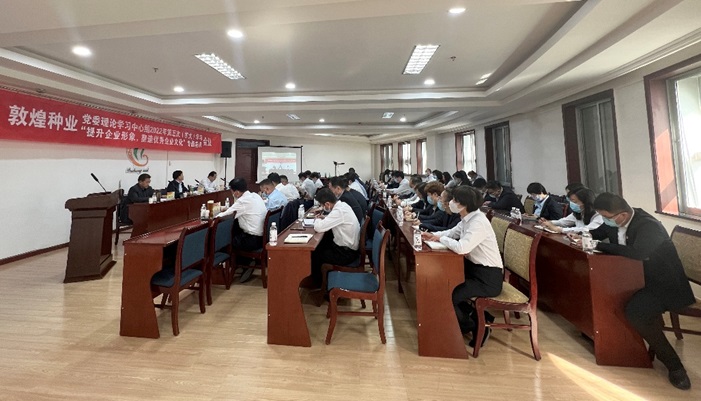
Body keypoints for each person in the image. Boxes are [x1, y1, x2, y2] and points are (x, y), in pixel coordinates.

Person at [586, 193, 694, 390]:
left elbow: (638, 253)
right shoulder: (615, 221)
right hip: (635, 280)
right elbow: (597, 233)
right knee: (608, 297)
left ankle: (675, 366)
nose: (604, 220)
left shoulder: (648, 226)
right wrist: (583, 237)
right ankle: (618, 345)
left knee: (637, 313)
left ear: (622, 215)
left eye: (607, 217)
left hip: (664, 285)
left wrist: (599, 245)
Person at [421, 186, 503, 348]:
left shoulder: (478, 222)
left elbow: (462, 247)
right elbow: (452, 232)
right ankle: (480, 317)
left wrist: (441, 240)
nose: (450, 203)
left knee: (449, 295)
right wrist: (434, 236)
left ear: (463, 204)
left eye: (454, 200)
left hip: (487, 278)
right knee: (444, 286)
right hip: (473, 270)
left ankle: (474, 326)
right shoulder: (467, 218)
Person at [218, 178, 268, 283]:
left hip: (252, 241)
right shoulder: (255, 196)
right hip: (262, 238)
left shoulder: (242, 201)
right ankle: (245, 263)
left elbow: (224, 216)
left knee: (225, 242)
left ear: (236, 192)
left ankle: (244, 264)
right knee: (236, 231)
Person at [310, 188, 361, 288]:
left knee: (316, 254)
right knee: (321, 245)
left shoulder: (339, 211)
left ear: (327, 204)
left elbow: (318, 227)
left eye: (322, 205)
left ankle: (318, 285)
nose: (322, 207)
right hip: (348, 248)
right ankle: (320, 281)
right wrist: (326, 218)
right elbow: (336, 219)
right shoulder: (343, 205)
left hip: (346, 253)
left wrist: (316, 219)